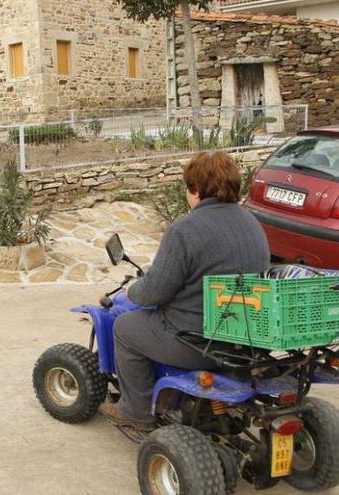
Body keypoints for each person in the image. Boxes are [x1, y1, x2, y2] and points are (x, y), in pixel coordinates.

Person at [98, 151, 270, 431]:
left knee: (125, 327)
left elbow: (156, 291)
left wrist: (131, 292)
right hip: (243, 340)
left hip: (195, 341)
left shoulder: (184, 230)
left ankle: (136, 411)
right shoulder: (252, 223)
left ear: (196, 189)